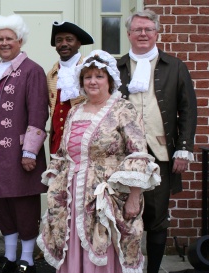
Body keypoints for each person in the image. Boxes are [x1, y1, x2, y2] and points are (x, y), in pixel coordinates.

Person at [37, 50, 161, 273]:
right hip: (72, 194)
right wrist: (56, 185)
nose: (92, 81)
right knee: (71, 243)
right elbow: (64, 152)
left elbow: (138, 154)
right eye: (87, 77)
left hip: (106, 197)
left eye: (99, 76)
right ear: (81, 81)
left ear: (110, 80)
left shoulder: (123, 110)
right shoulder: (75, 111)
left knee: (104, 244)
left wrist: (134, 197)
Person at [117, 10, 197, 273]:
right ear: (128, 34)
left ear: (156, 33)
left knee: (157, 218)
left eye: (148, 29)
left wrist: (183, 149)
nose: (143, 34)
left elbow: (188, 109)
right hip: (121, 154)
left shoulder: (174, 66)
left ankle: (153, 270)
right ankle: (122, 267)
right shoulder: (115, 67)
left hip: (161, 152)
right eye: (137, 29)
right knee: (120, 214)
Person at [0, 14, 49, 273]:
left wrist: (30, 151)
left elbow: (37, 113)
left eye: (9, 38)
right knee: (2, 205)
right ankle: (9, 257)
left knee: (24, 205)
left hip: (21, 152)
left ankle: (28, 258)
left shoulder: (33, 70)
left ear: (20, 40)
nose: (4, 42)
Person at [47, 21, 93, 154]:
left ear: (79, 43)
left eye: (69, 40)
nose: (64, 44)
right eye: (59, 40)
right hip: (57, 143)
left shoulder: (90, 69)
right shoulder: (51, 74)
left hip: (83, 142)